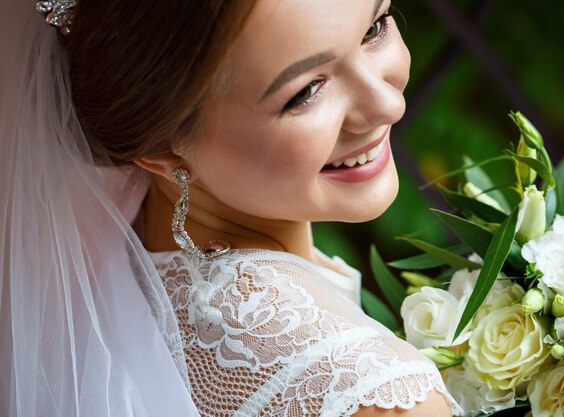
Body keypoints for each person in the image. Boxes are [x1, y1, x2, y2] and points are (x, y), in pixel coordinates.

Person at [0, 0, 462, 416]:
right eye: (305, 91)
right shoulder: (374, 391)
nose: (387, 105)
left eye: (374, 28)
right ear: (165, 147)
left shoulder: (100, 278)